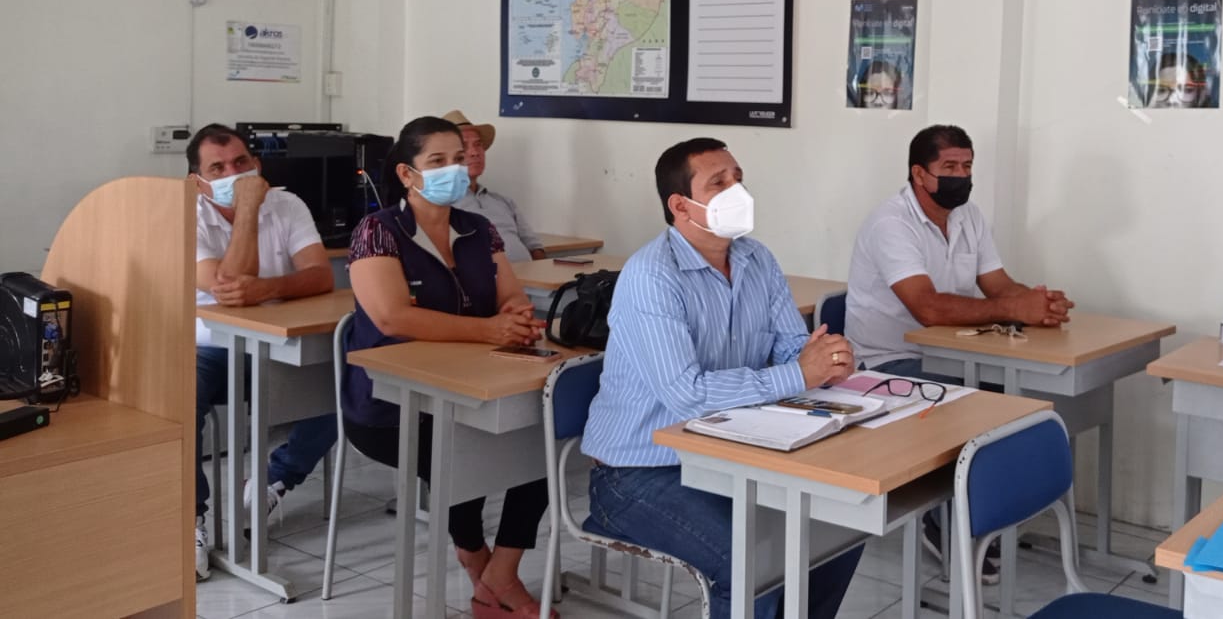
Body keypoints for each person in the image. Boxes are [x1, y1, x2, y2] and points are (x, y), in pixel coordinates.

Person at [583, 138, 863, 619]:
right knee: (751, 561)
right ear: (680, 205)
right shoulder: (652, 275)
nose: (738, 190)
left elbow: (789, 348)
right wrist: (799, 373)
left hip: (730, 453)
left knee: (840, 527)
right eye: (719, 182)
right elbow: (689, 396)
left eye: (738, 178)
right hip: (639, 471)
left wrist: (824, 360)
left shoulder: (758, 259)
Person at [342, 116, 555, 618]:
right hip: (389, 405)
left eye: (458, 159)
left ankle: (500, 574)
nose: (454, 169)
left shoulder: (479, 229)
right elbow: (392, 317)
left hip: (470, 388)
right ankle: (476, 559)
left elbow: (511, 296)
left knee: (543, 444)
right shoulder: (378, 231)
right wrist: (489, 331)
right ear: (407, 173)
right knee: (459, 451)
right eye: (437, 161)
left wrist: (515, 318)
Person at [188, 124, 338, 581]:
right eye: (218, 168)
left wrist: (268, 289)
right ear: (199, 182)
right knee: (180, 396)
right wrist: (249, 208)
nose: (233, 173)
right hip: (209, 346)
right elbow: (228, 286)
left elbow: (321, 276)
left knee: (345, 381)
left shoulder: (288, 204)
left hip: (277, 344)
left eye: (241, 162)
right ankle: (191, 520)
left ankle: (275, 479)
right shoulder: (187, 215)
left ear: (257, 164)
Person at [846, 124, 1073, 380]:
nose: (961, 176)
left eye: (967, 166)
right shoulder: (891, 224)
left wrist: (1042, 304)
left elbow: (999, 286)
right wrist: (1015, 309)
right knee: (995, 393)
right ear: (919, 174)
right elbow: (927, 309)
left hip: (953, 353)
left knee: (1031, 383)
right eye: (950, 167)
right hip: (889, 361)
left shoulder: (969, 214)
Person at [443, 109, 548, 261]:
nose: (474, 152)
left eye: (478, 144)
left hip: (529, 273)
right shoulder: (442, 206)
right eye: (464, 146)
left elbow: (534, 247)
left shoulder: (503, 201)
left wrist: (541, 271)